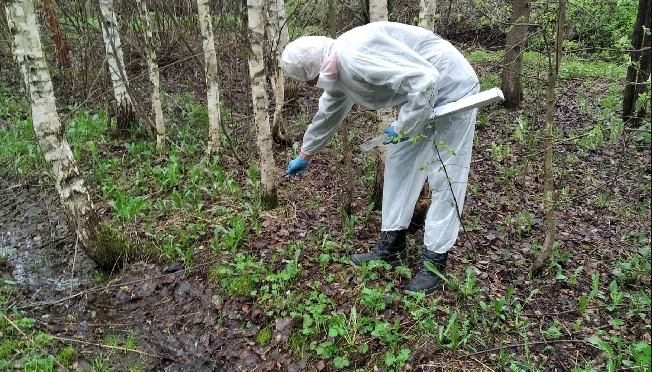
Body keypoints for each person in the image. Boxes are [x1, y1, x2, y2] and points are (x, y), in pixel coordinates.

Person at [280, 21, 479, 295]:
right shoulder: (336, 68)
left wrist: (402, 127)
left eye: (309, 80)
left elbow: (426, 79)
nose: (311, 85)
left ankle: (435, 262)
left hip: (452, 88)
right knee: (398, 165)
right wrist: (306, 153)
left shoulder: (355, 57)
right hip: (418, 101)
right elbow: (328, 113)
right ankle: (393, 247)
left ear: (315, 70)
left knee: (446, 176)